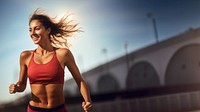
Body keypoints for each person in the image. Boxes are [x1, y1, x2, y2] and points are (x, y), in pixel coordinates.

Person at [9, 9, 92, 112]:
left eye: (37, 29)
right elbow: (22, 84)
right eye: (30, 30)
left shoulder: (63, 54)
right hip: (34, 109)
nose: (32, 33)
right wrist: (16, 87)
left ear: (48, 30)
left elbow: (79, 80)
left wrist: (87, 100)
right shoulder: (25, 56)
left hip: (58, 109)